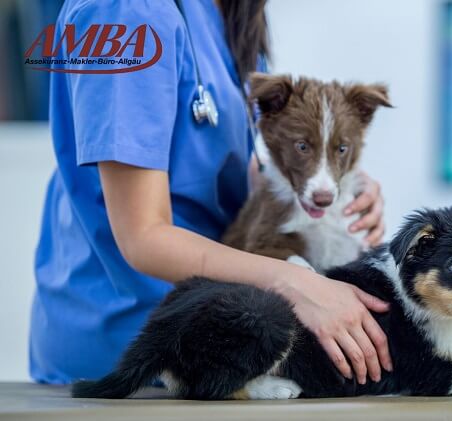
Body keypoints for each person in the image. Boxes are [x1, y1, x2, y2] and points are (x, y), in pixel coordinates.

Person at [30, 0, 390, 387]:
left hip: (229, 340)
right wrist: (297, 281)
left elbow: (222, 168)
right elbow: (144, 236)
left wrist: (330, 188)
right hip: (138, 348)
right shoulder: (127, 11)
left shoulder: (231, 12)